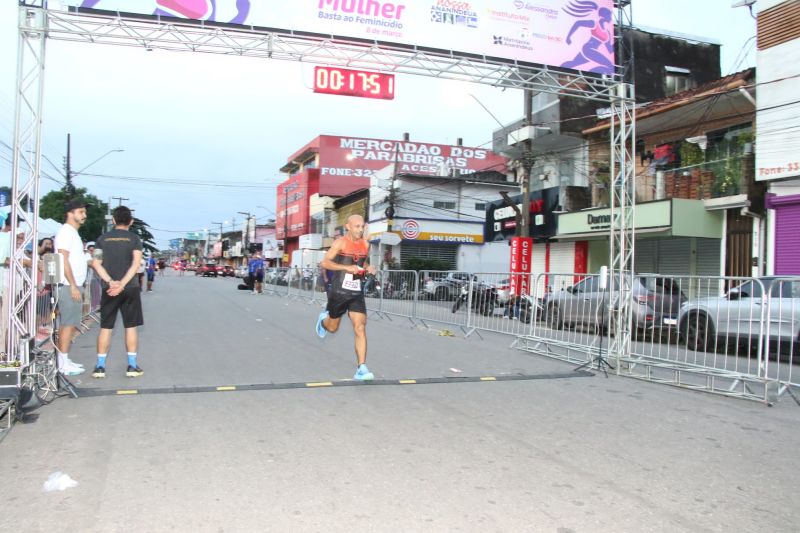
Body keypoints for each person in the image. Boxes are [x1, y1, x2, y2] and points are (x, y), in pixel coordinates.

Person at [315, 214, 376, 380]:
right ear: (348, 226)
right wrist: (346, 267)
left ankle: (361, 368)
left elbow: (362, 264)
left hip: (356, 291)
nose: (360, 229)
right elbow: (325, 263)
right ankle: (323, 320)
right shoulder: (340, 242)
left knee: (360, 327)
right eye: (357, 226)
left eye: (362, 226)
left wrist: (369, 267)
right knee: (333, 328)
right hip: (339, 291)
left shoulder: (365, 244)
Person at [90, 205, 145, 378]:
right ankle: (132, 366)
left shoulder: (101, 239)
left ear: (113, 220)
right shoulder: (135, 239)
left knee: (106, 327)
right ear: (131, 221)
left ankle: (100, 367)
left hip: (109, 289)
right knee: (130, 326)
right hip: (130, 288)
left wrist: (111, 282)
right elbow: (136, 264)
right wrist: (122, 284)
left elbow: (96, 263)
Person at [53, 199, 89, 376]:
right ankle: (62, 362)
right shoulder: (66, 232)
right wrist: (73, 285)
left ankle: (65, 359)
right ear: (70, 213)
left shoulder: (73, 233)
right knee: (67, 325)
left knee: (71, 324)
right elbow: (63, 259)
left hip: (74, 285)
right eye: (81, 212)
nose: (84, 216)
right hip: (69, 286)